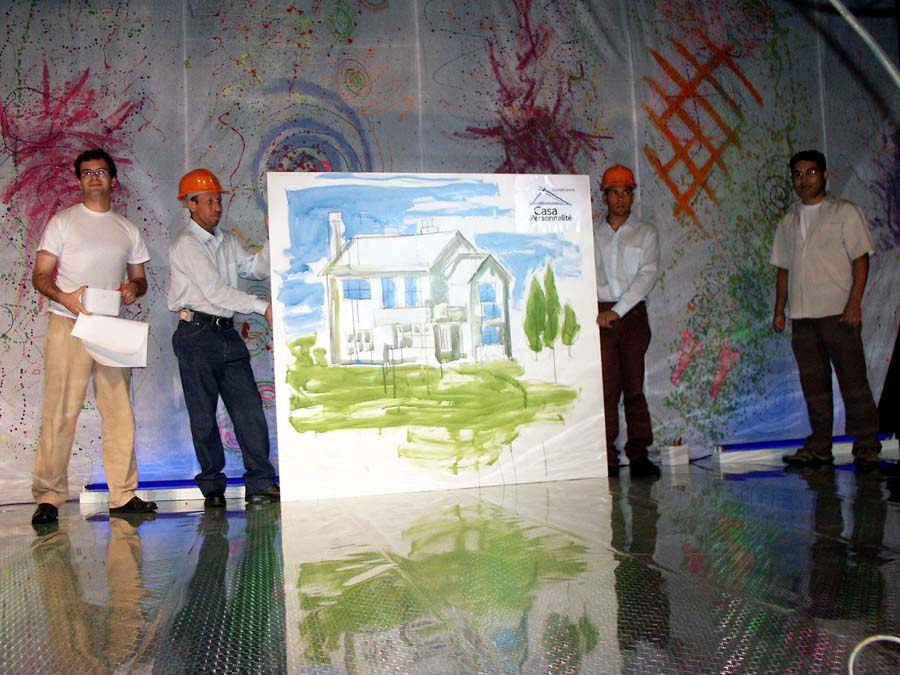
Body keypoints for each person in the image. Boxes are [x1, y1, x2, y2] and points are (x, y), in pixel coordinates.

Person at [30, 148, 156, 525]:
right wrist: (65, 297)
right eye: (87, 173)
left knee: (119, 412)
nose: (94, 178)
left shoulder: (127, 229)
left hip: (110, 327)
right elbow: (40, 275)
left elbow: (140, 279)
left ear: (113, 180)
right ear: (79, 180)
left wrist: (133, 289)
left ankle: (123, 494)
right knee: (60, 411)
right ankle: (49, 496)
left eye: (101, 172)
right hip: (67, 323)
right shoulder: (63, 222)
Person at [168, 168, 279, 508]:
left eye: (218, 200)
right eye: (210, 201)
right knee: (203, 415)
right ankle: (213, 489)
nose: (217, 207)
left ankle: (260, 482)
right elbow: (215, 291)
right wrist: (262, 308)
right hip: (196, 333)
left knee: (249, 409)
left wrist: (272, 236)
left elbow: (256, 269)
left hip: (226, 332)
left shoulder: (227, 240)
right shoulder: (186, 245)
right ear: (190, 204)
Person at [772, 149, 882, 469]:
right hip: (802, 316)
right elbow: (783, 269)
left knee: (853, 380)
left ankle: (866, 444)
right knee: (814, 386)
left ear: (825, 175)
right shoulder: (788, 221)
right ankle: (820, 445)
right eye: (798, 174)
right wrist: (779, 310)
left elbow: (860, 259)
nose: (804, 180)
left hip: (839, 313)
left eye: (810, 172)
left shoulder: (845, 212)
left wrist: (854, 303)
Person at [594, 164, 660, 477]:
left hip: (631, 315)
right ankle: (607, 456)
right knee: (606, 390)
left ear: (633, 196)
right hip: (601, 314)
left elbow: (647, 276)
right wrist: (600, 311)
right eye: (614, 192)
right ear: (604, 196)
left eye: (626, 192)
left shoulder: (646, 233)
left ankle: (639, 455)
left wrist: (617, 311)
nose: (620, 199)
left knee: (634, 387)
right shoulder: (591, 234)